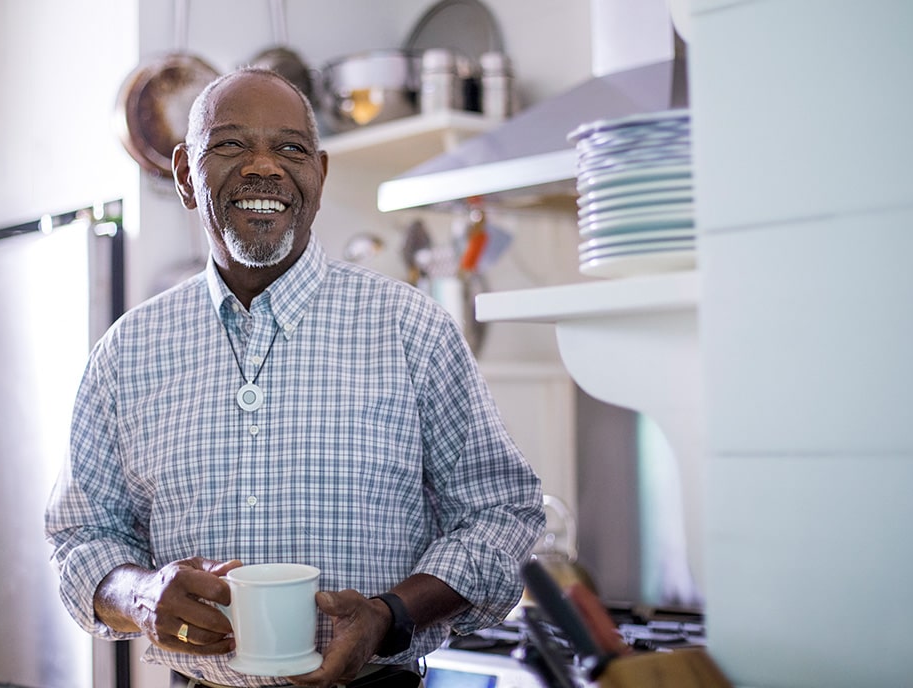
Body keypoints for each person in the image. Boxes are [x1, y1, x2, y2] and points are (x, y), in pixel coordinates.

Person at [45, 67, 545, 688]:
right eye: (230, 144)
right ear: (183, 175)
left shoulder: (411, 328)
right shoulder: (128, 350)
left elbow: (501, 514)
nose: (265, 167)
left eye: (290, 148)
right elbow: (81, 536)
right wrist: (140, 592)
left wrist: (389, 616)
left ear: (319, 174)